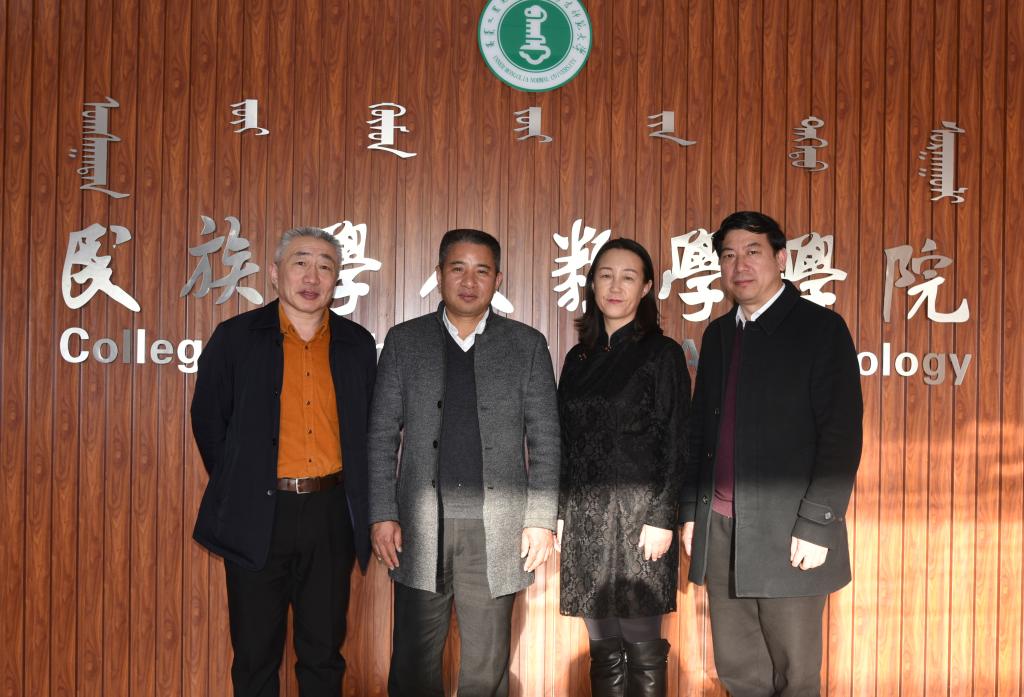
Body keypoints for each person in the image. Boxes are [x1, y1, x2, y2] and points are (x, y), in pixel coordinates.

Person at [368, 228, 561, 697]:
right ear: (439, 274)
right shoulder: (404, 340)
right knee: (413, 664)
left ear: (498, 279)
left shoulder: (527, 345)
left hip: (497, 528)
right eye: (458, 268)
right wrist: (383, 513)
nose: (469, 281)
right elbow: (380, 435)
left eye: (482, 271)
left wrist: (540, 519)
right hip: (419, 527)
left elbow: (546, 439)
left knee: (486, 667)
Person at [680, 211, 863, 696]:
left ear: (781, 259)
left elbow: (841, 436)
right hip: (721, 528)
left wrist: (818, 523)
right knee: (739, 672)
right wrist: (693, 512)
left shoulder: (821, 329)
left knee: (794, 676)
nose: (739, 265)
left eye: (753, 251)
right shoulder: (719, 335)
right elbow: (701, 432)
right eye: (729, 255)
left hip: (790, 531)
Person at [191, 226, 377, 697]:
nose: (312, 276)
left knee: (323, 653)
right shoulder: (235, 339)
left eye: (325, 266)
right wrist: (243, 480)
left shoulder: (357, 344)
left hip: (330, 512)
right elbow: (209, 421)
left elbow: (371, 430)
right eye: (300, 262)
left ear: (336, 278)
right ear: (275, 273)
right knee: (255, 655)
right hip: (257, 512)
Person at [556, 238, 690, 697]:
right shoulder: (578, 359)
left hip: (640, 519)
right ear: (592, 284)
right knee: (603, 648)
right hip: (585, 520)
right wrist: (559, 512)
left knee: (641, 644)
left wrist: (662, 516)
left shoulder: (662, 353)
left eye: (628, 277)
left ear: (646, 287)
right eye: (606, 276)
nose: (615, 287)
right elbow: (563, 441)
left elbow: (677, 439)